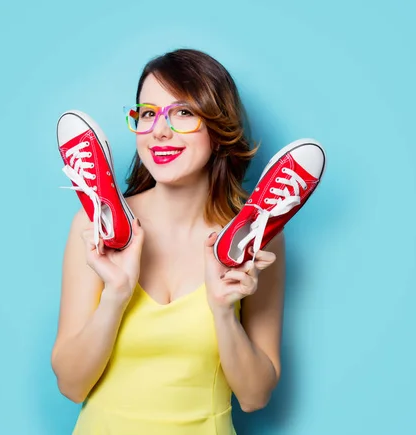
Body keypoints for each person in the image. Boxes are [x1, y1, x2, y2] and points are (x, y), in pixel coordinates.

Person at [52, 48, 290, 435]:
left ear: (217, 126)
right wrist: (115, 295)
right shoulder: (93, 225)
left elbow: (254, 397)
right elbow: (70, 385)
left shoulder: (257, 236)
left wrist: (224, 311)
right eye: (148, 114)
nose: (160, 130)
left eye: (183, 113)